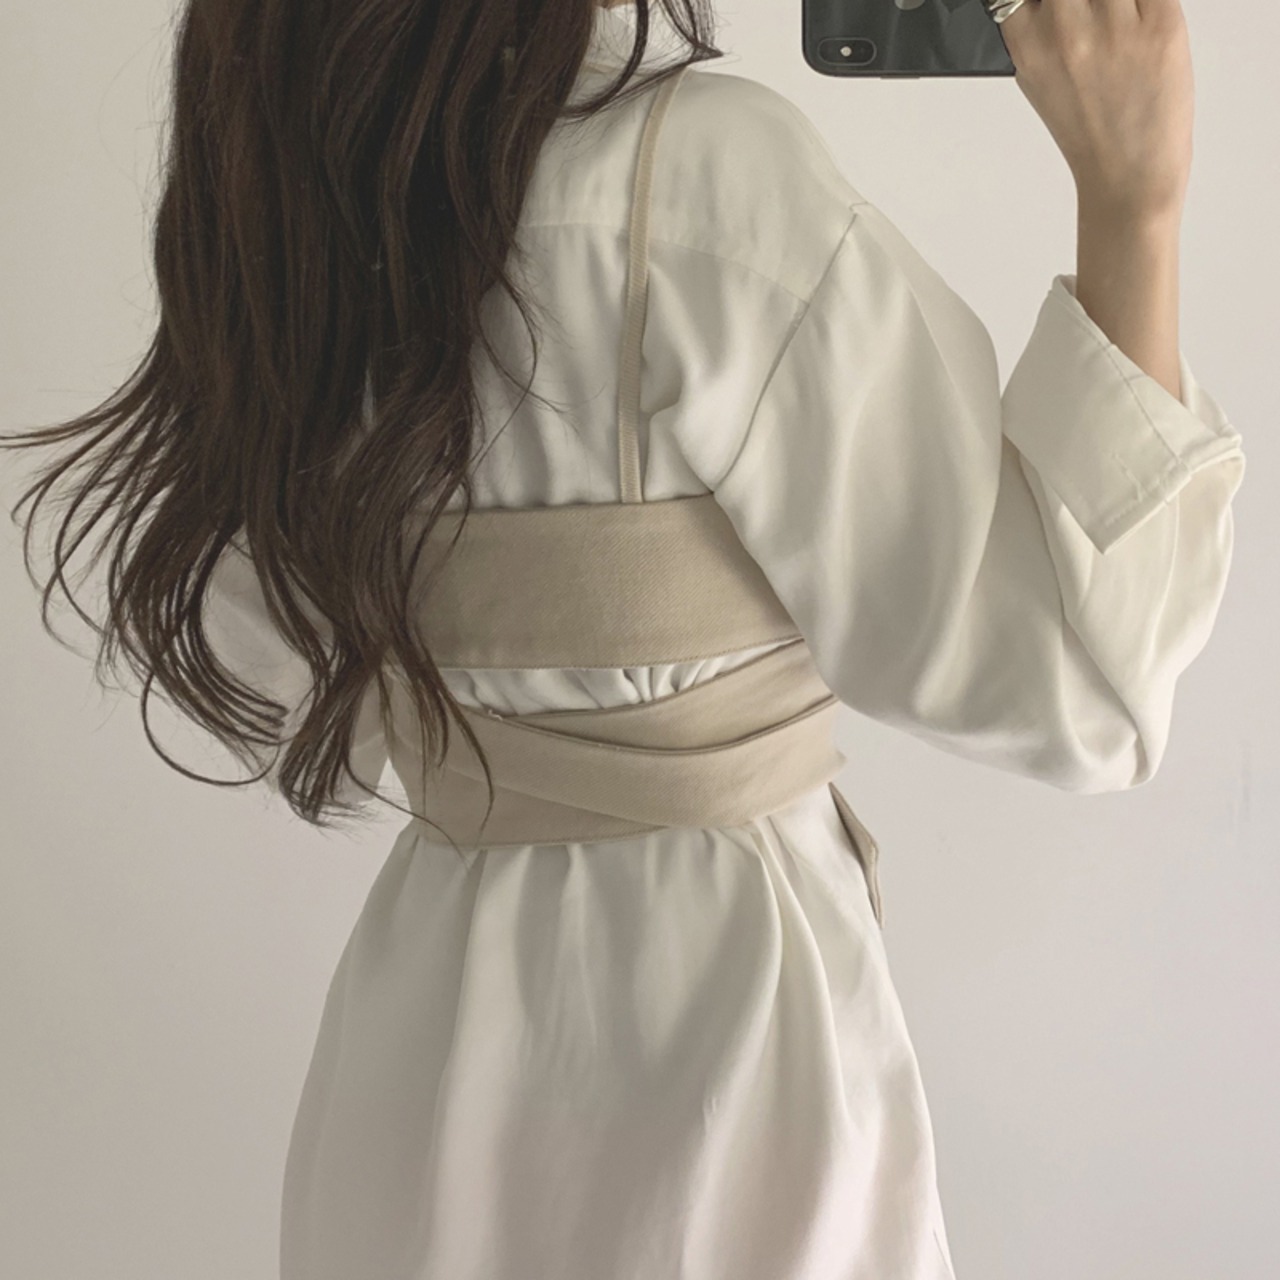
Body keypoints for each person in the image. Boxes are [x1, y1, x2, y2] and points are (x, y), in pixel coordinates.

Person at [1, 2, 1245, 1277]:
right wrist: (1133, 204)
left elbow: (266, 664)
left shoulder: (302, 182)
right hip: (722, 1056)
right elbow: (1078, 689)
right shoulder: (697, 185)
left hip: (416, 1058)